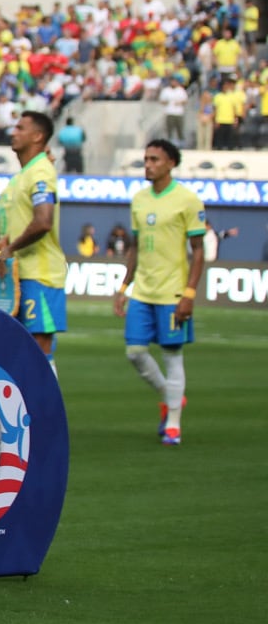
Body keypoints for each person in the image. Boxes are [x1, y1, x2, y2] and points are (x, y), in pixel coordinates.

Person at [113, 138, 206, 446]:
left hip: (173, 293)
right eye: (146, 159)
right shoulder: (139, 199)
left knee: (172, 356)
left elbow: (198, 250)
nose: (148, 165)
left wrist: (189, 293)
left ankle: (173, 424)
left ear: (171, 163)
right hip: (143, 291)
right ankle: (171, 397)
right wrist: (124, 286)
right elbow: (136, 247)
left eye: (154, 159)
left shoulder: (188, 200)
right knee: (134, 352)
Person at [0, 109, 66, 369]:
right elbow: (26, 220)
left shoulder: (41, 172)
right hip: (19, 274)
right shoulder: (25, 174)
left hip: (40, 275)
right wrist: (5, 240)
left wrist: (11, 247)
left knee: (39, 350)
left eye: (20, 128)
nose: (13, 132)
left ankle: (49, 401)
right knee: (17, 351)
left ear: (37, 136)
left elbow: (43, 221)